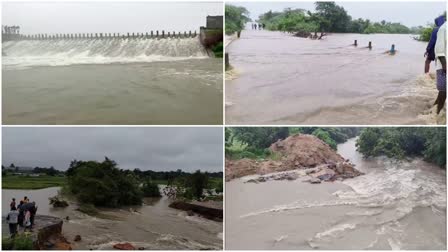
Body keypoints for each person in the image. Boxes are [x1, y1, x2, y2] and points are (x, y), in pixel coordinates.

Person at [434, 21, 446, 114]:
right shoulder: (443, 29)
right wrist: (445, 66)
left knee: (443, 91)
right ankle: (437, 114)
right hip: (443, 66)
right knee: (443, 90)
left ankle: (433, 109)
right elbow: (439, 51)